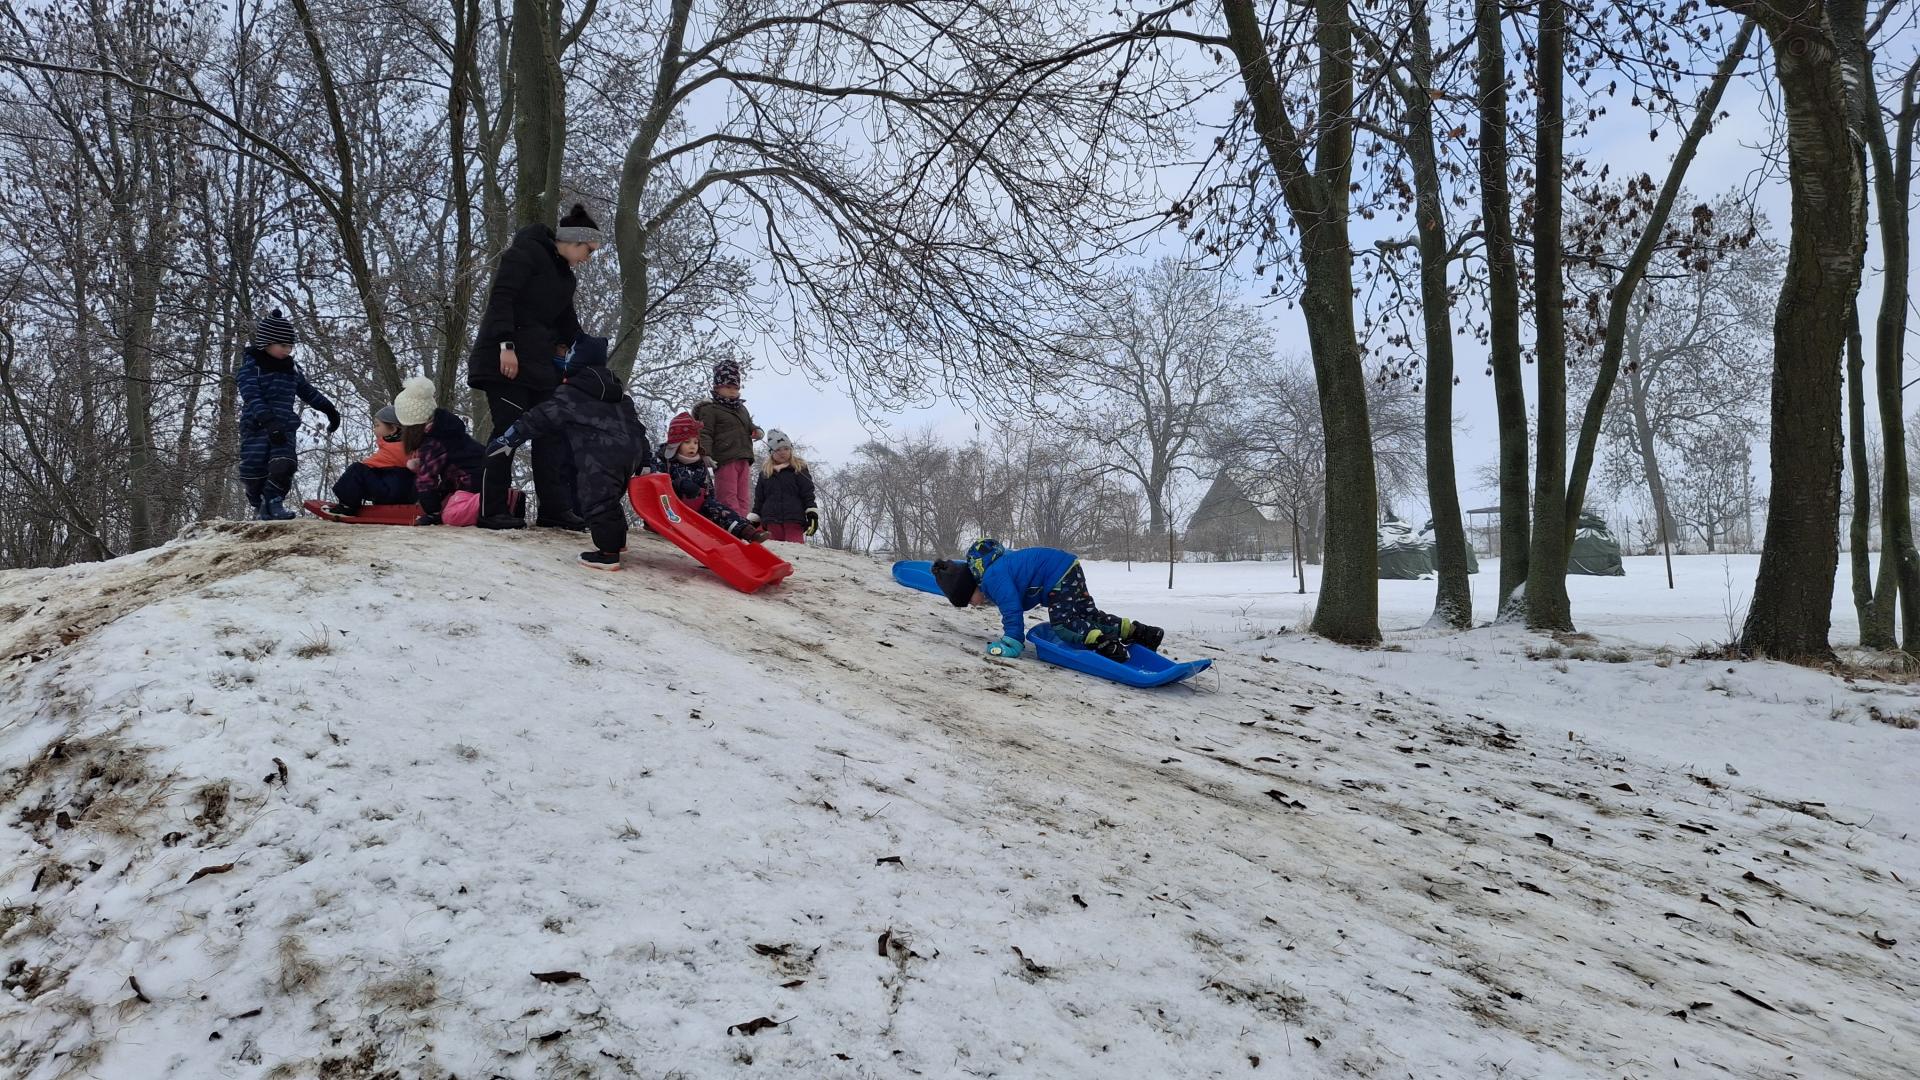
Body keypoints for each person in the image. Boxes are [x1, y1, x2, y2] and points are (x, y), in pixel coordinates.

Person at [466, 202, 604, 530]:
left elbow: (566, 321)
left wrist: (591, 356)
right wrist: (506, 346)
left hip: (539, 366)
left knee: (553, 431)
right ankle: (491, 510)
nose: (588, 258)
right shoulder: (525, 253)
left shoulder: (565, 278)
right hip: (503, 361)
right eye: (588, 250)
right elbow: (502, 299)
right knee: (508, 431)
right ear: (572, 241)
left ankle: (554, 509)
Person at [487, 335, 650, 571]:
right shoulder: (619, 395)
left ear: (577, 359)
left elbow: (541, 416)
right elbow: (637, 428)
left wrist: (510, 437)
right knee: (610, 498)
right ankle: (617, 540)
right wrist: (645, 459)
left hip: (598, 455)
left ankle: (608, 554)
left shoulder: (572, 393)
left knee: (597, 501)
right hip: (630, 453)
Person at [930, 539, 1163, 662]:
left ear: (971, 586)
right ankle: (1140, 632)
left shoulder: (992, 578)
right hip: (1068, 566)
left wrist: (1012, 641)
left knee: (1063, 624)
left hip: (1056, 576)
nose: (974, 605)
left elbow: (1011, 609)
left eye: (969, 600)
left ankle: (1105, 645)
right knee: (1087, 614)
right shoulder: (1001, 568)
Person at [236, 309, 339, 520]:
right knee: (252, 471)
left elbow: (307, 391)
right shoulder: (251, 366)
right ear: (266, 343)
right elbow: (252, 396)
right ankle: (259, 505)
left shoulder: (291, 368)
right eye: (282, 345)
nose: (287, 350)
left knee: (284, 464)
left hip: (284, 427)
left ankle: (274, 501)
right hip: (256, 426)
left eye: (290, 345)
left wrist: (330, 410)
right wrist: (268, 421)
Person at [658, 412, 769, 543]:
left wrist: (707, 498)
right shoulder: (665, 462)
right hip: (671, 507)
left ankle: (748, 532)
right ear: (675, 444)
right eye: (687, 442)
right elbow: (655, 483)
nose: (692, 446)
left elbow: (708, 490)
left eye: (696, 442)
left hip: (696, 509)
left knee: (718, 509)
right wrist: (678, 484)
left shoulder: (699, 464)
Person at [394, 377, 487, 526]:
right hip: (475, 480)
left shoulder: (434, 442)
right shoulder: (444, 429)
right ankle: (492, 498)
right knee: (445, 504)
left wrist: (433, 513)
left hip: (472, 486)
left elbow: (425, 481)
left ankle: (495, 500)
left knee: (450, 515)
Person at [692, 359, 760, 516]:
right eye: (728, 387)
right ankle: (730, 522)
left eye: (736, 388)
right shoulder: (710, 408)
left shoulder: (741, 408)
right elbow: (705, 432)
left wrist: (756, 430)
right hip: (724, 458)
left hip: (744, 456)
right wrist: (705, 453)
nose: (733, 391)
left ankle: (742, 522)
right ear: (717, 387)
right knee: (727, 495)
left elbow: (749, 424)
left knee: (743, 496)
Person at [327, 405, 415, 515]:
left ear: (393, 429)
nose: (374, 429)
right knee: (381, 473)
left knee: (356, 470)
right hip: (408, 495)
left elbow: (366, 465)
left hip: (391, 494)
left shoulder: (393, 448)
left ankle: (347, 506)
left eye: (377, 425)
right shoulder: (411, 445)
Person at [749, 429, 817, 543]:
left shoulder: (799, 469)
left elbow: (808, 493)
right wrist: (755, 518)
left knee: (794, 547)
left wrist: (811, 513)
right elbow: (759, 499)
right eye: (777, 450)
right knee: (773, 549)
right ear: (771, 452)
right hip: (770, 520)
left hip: (794, 519)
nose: (782, 452)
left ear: (791, 450)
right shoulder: (765, 474)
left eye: (786, 448)